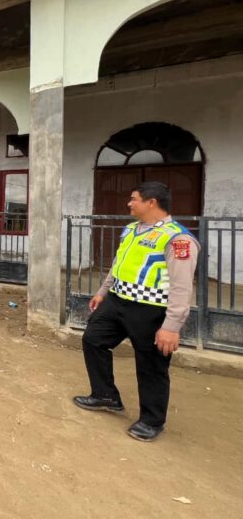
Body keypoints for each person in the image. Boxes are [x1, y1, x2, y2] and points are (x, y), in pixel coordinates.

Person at [73, 181, 199, 442]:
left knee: (151, 364)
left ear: (151, 202)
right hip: (117, 300)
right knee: (93, 340)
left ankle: (152, 421)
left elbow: (182, 286)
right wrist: (103, 291)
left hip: (151, 309)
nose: (129, 203)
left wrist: (171, 327)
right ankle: (105, 395)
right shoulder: (131, 229)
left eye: (134, 199)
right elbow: (118, 263)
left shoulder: (178, 239)